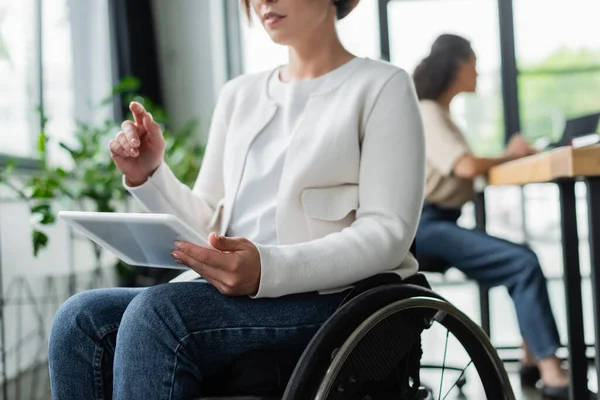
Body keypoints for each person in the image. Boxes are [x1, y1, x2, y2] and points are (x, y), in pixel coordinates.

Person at [47, 0, 426, 398]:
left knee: (159, 313)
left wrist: (267, 268)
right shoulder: (239, 95)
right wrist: (150, 174)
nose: (263, 1)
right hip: (232, 294)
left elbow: (388, 233)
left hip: (333, 298)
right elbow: (207, 225)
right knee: (80, 319)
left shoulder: (382, 86)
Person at [413, 33, 583, 399]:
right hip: (426, 226)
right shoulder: (427, 110)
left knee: (519, 258)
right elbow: (466, 166)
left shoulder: (439, 112)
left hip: (440, 222)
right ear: (456, 64)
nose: (478, 72)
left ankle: (532, 359)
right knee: (521, 263)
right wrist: (511, 154)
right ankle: (554, 377)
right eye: (474, 62)